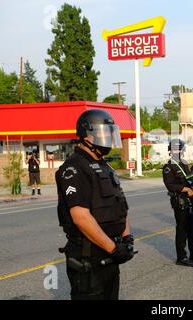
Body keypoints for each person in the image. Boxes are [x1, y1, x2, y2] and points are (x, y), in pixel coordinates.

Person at [56, 109, 134, 300]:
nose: (108, 136)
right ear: (87, 135)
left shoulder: (104, 165)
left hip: (108, 255)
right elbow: (80, 217)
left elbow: (119, 206)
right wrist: (113, 248)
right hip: (88, 258)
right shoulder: (74, 168)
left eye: (110, 131)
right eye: (104, 131)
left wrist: (127, 238)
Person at [163, 139, 193, 267]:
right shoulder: (169, 166)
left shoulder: (184, 163)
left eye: (179, 149)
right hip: (180, 201)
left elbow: (190, 177)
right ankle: (181, 257)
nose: (178, 151)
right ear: (171, 150)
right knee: (182, 229)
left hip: (191, 199)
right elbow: (170, 185)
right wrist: (186, 189)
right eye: (175, 149)